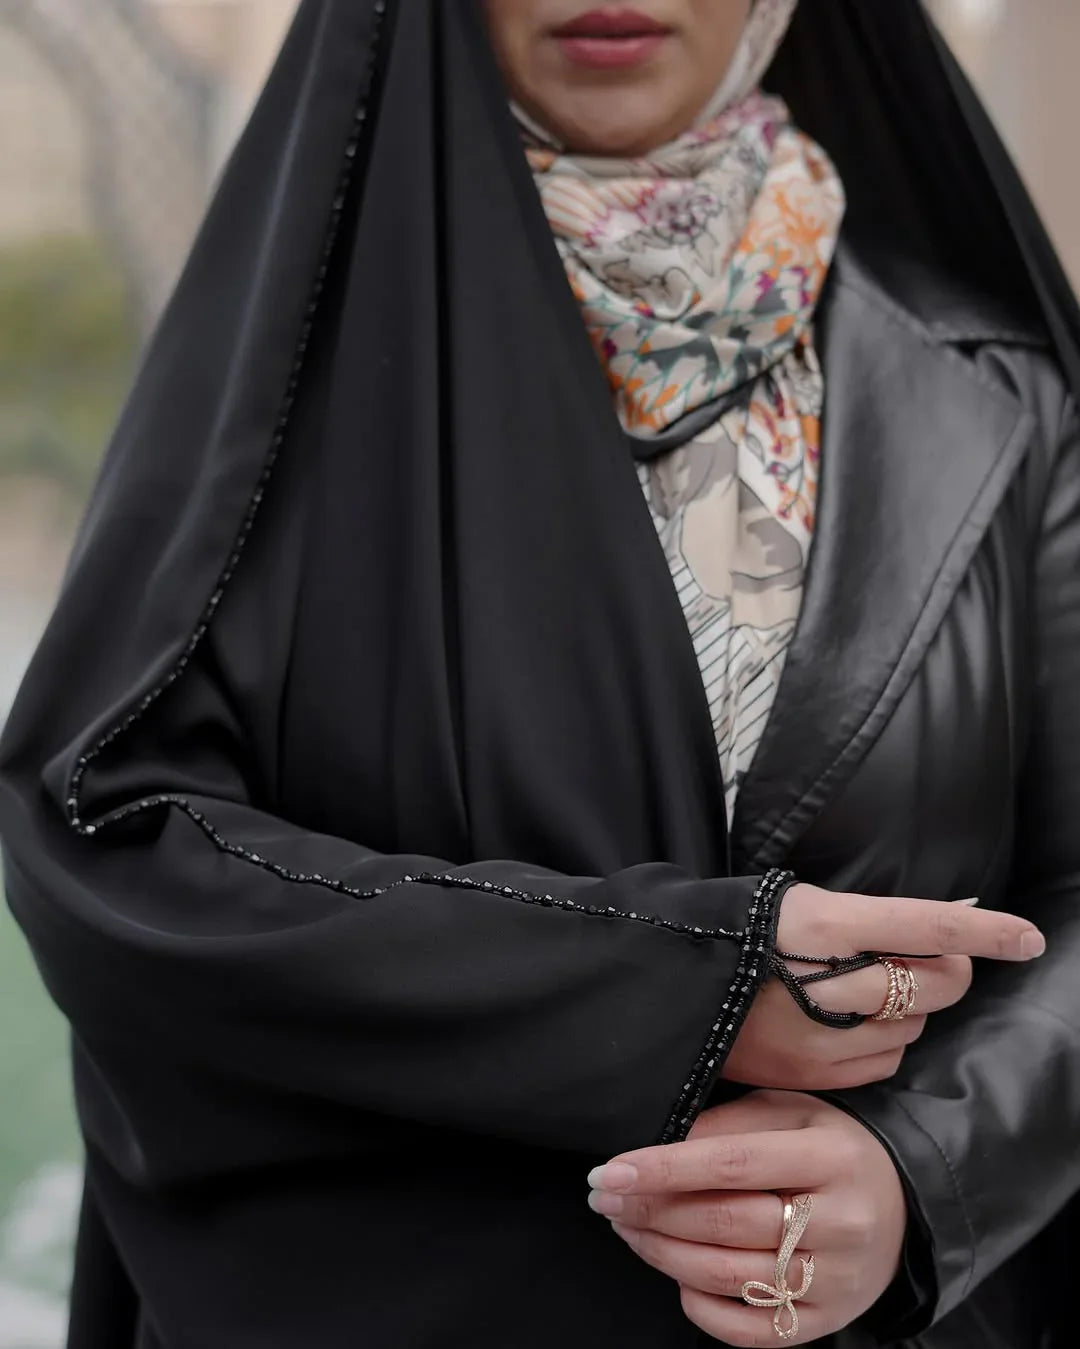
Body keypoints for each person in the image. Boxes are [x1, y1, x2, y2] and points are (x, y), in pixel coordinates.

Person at [0, 0, 1077, 1345]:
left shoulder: (1006, 408)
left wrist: (918, 1173)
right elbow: (107, 841)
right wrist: (682, 991)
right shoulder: (283, 398)